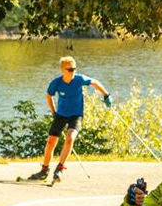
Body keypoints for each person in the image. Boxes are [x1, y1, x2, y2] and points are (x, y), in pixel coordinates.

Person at [27, 55, 111, 184]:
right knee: (50, 142)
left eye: (74, 69)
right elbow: (49, 96)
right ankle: (44, 170)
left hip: (76, 115)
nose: (73, 71)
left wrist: (106, 95)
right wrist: (53, 112)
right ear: (63, 70)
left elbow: (94, 82)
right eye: (70, 69)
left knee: (70, 137)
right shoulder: (56, 83)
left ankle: (59, 169)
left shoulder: (79, 79)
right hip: (61, 114)